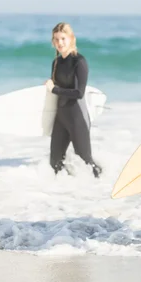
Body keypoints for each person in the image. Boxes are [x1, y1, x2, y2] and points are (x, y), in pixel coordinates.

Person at [45, 22, 102, 178]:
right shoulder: (56, 63)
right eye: (56, 39)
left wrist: (54, 89)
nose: (59, 43)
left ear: (71, 39)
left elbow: (79, 93)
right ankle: (68, 193)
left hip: (77, 117)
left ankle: (102, 187)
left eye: (63, 38)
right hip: (61, 118)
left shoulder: (79, 62)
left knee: (87, 162)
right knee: (55, 162)